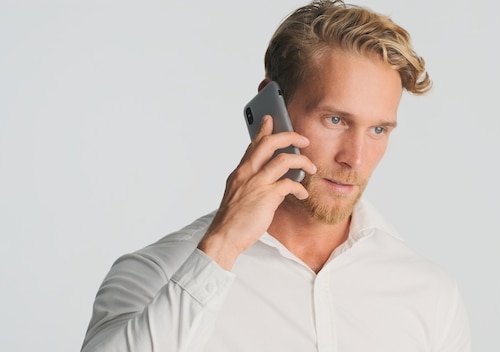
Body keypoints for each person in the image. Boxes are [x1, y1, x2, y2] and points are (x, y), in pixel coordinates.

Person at [80, 1, 472, 351]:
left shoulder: (429, 295)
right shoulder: (156, 274)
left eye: (378, 130)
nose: (356, 158)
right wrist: (222, 246)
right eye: (335, 120)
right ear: (272, 108)